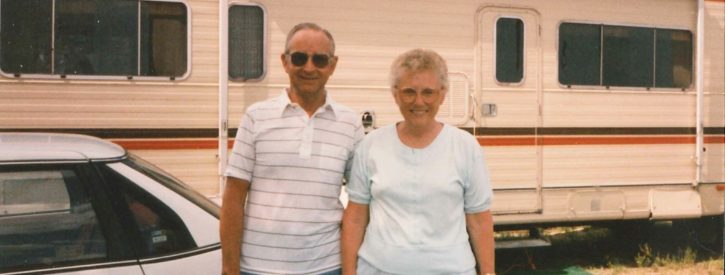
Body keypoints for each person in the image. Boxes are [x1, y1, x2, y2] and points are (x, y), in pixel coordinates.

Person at [220, 22, 363, 275]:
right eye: (299, 58)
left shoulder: (349, 123)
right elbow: (233, 198)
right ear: (285, 62)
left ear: (333, 65)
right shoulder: (256, 116)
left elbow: (360, 204)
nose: (309, 67)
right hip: (258, 268)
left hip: (327, 267)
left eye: (320, 59)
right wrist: (230, 268)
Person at [341, 49, 495, 275]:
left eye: (428, 92)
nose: (419, 101)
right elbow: (355, 218)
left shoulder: (465, 147)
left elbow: (479, 220)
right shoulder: (371, 146)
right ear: (395, 94)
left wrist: (489, 273)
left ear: (442, 94)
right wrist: (348, 272)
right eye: (409, 92)